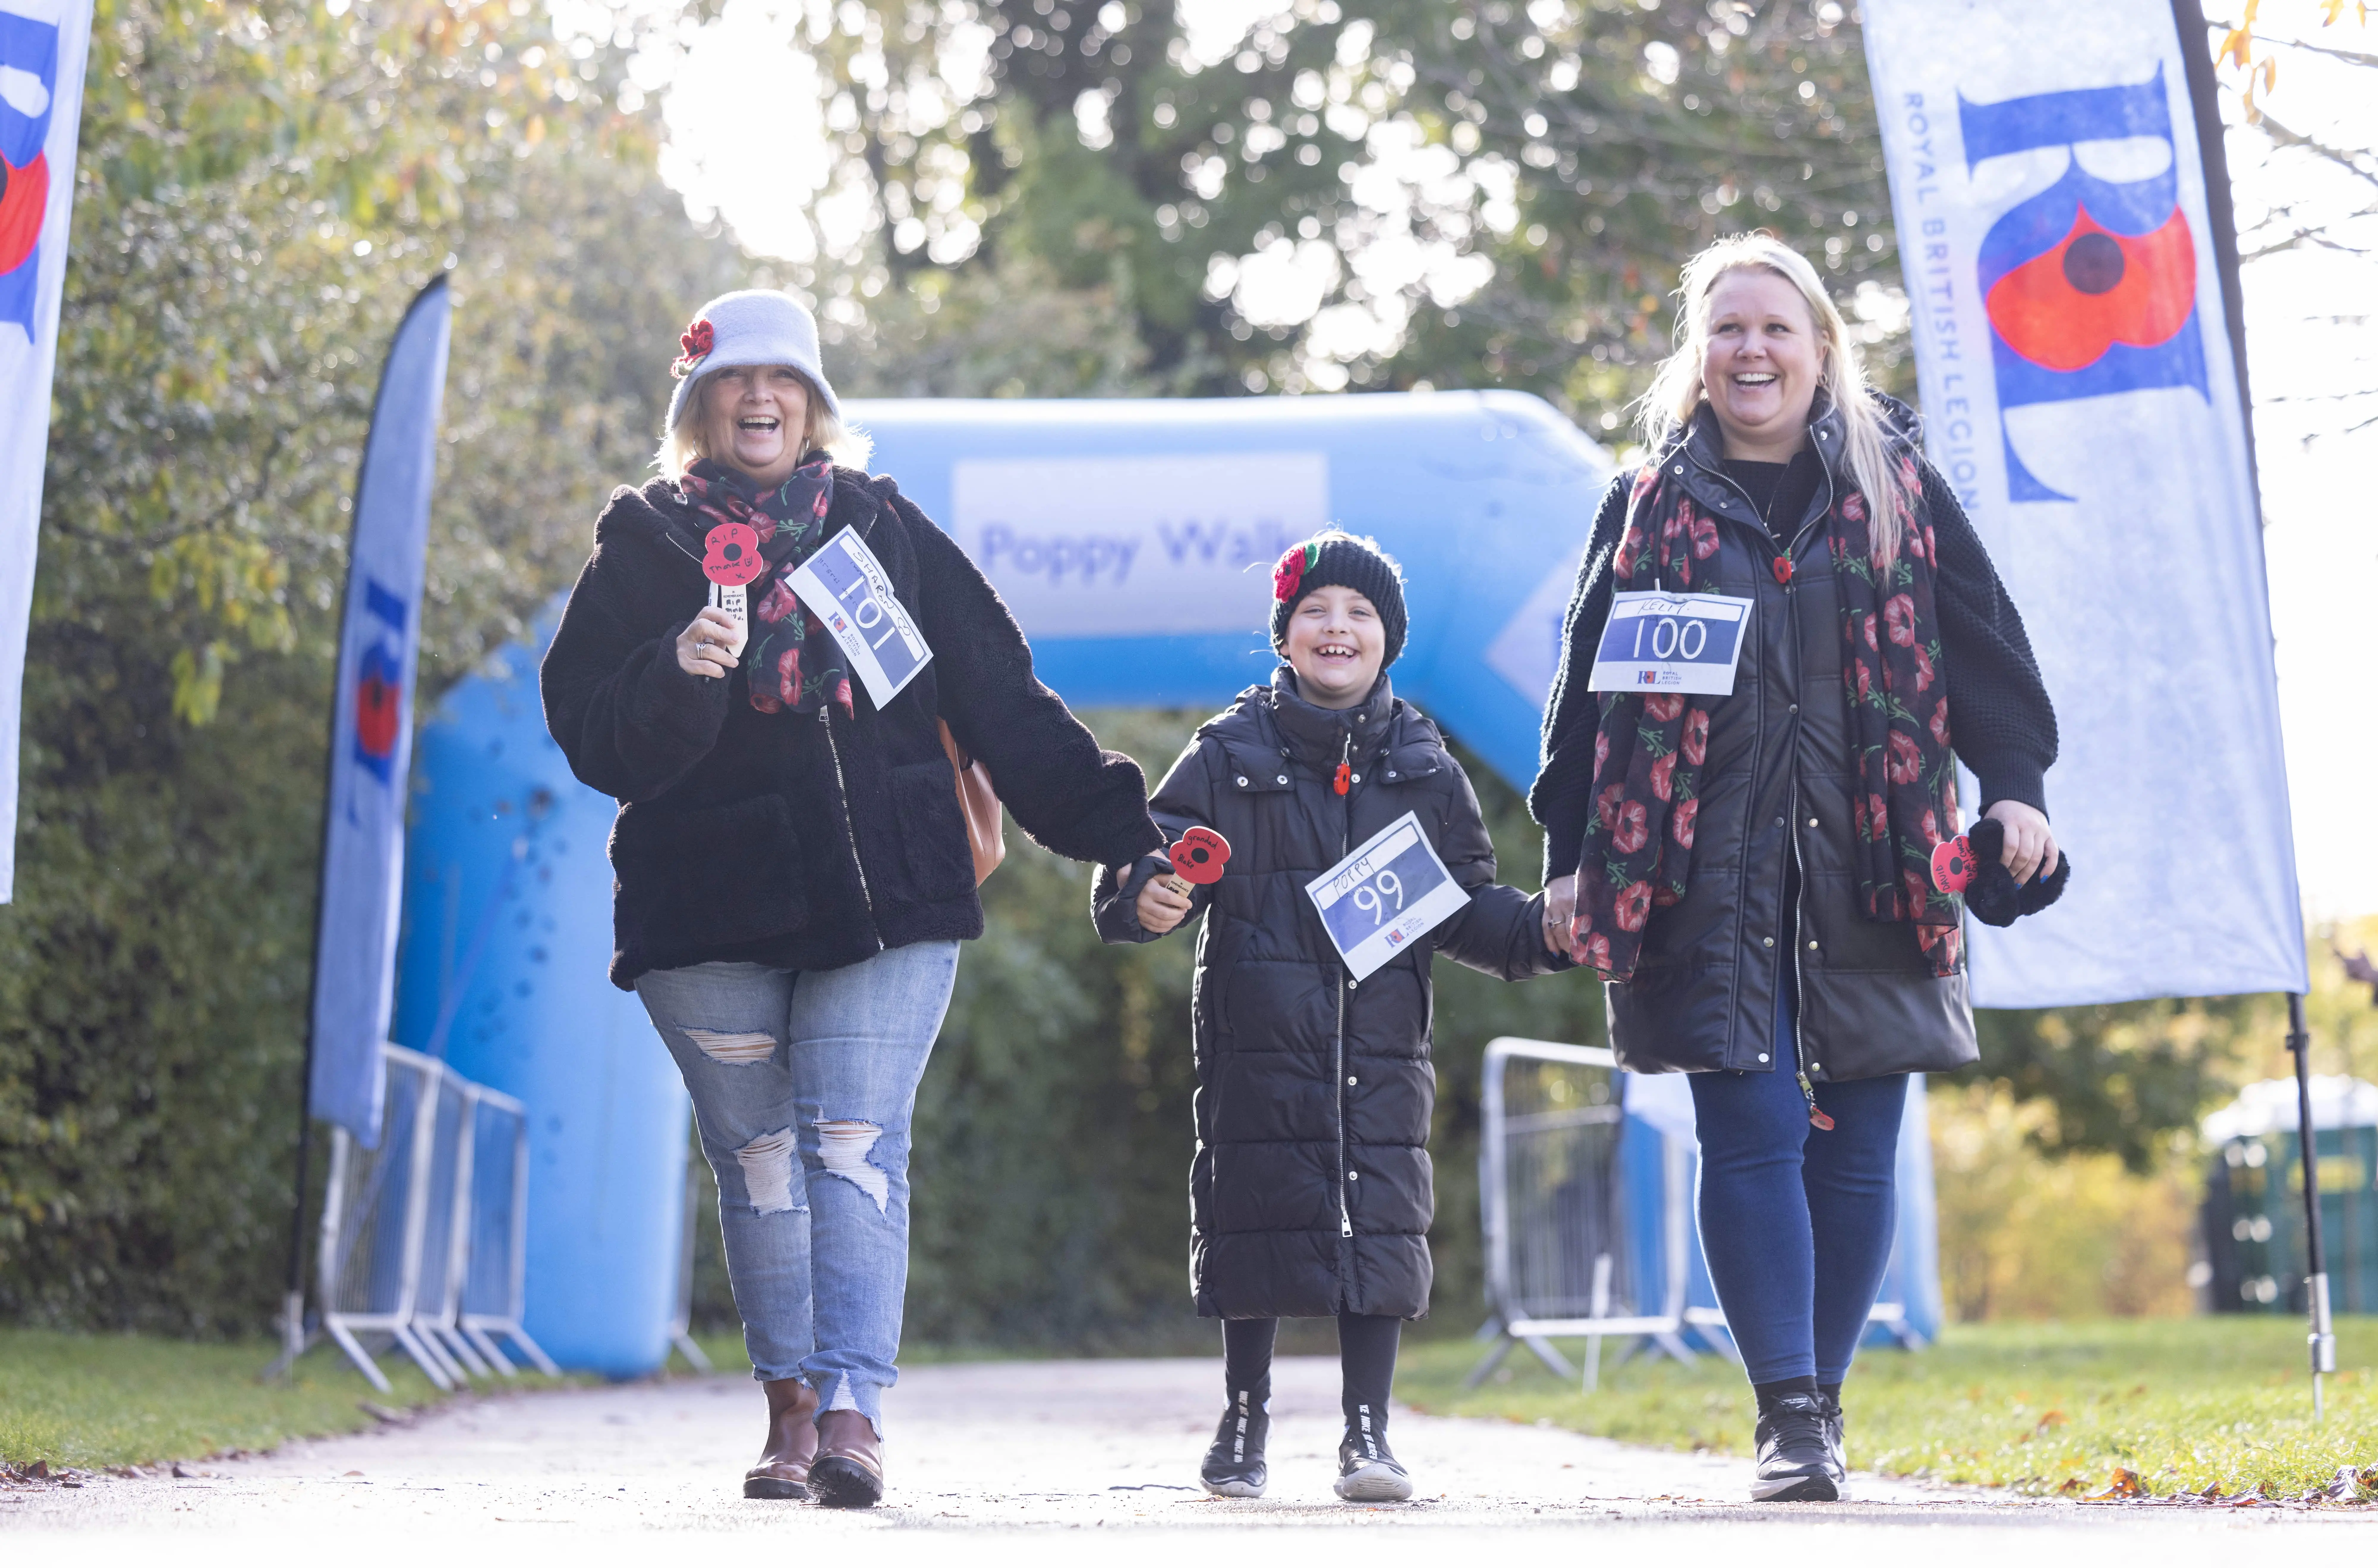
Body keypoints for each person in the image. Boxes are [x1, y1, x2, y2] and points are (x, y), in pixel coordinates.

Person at [540, 290, 1162, 1508]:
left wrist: (1123, 837)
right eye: (732, 383)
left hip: (888, 899)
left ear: (815, 403)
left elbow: (1003, 700)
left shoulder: (883, 527)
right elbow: (590, 735)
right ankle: (784, 1408)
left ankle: (851, 1413)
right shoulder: (642, 550)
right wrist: (676, 673)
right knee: (762, 1158)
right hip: (704, 909)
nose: (758, 401)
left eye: (782, 381)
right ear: (696, 406)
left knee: (853, 1146)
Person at [1530, 234, 2059, 1502]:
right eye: (1727, 330)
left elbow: (1987, 658)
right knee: (1749, 1127)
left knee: (1858, 1143)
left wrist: (2017, 795)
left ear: (1821, 347)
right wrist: (1566, 860)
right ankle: (1786, 1411)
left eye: (1775, 328)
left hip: (1872, 859)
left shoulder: (1896, 489)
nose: (1751, 350)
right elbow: (1584, 708)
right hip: (1697, 875)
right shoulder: (1645, 502)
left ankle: (1815, 1408)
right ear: (1696, 356)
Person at [1094, 532, 1571, 1503]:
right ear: (1285, 632)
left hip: (1383, 1041)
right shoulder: (1228, 752)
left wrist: (1544, 933)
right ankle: (1244, 1415)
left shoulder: (1427, 766)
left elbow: (1464, 904)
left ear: (1388, 639)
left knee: (1381, 1223)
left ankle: (1369, 1432)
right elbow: (1143, 862)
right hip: (1257, 1036)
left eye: (1359, 613)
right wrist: (1137, 893)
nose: (1337, 627)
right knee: (1255, 1211)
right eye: (1316, 610)